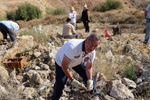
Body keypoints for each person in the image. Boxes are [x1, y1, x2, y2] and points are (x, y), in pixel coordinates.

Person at [51, 33, 101, 100]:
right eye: (91, 44)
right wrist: (72, 80)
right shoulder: (73, 47)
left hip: (77, 61)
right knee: (60, 83)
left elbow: (89, 67)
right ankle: (55, 98)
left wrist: (90, 80)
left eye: (95, 46)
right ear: (86, 40)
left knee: (89, 77)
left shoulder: (92, 52)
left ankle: (93, 94)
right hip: (62, 62)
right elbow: (64, 66)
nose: (92, 48)